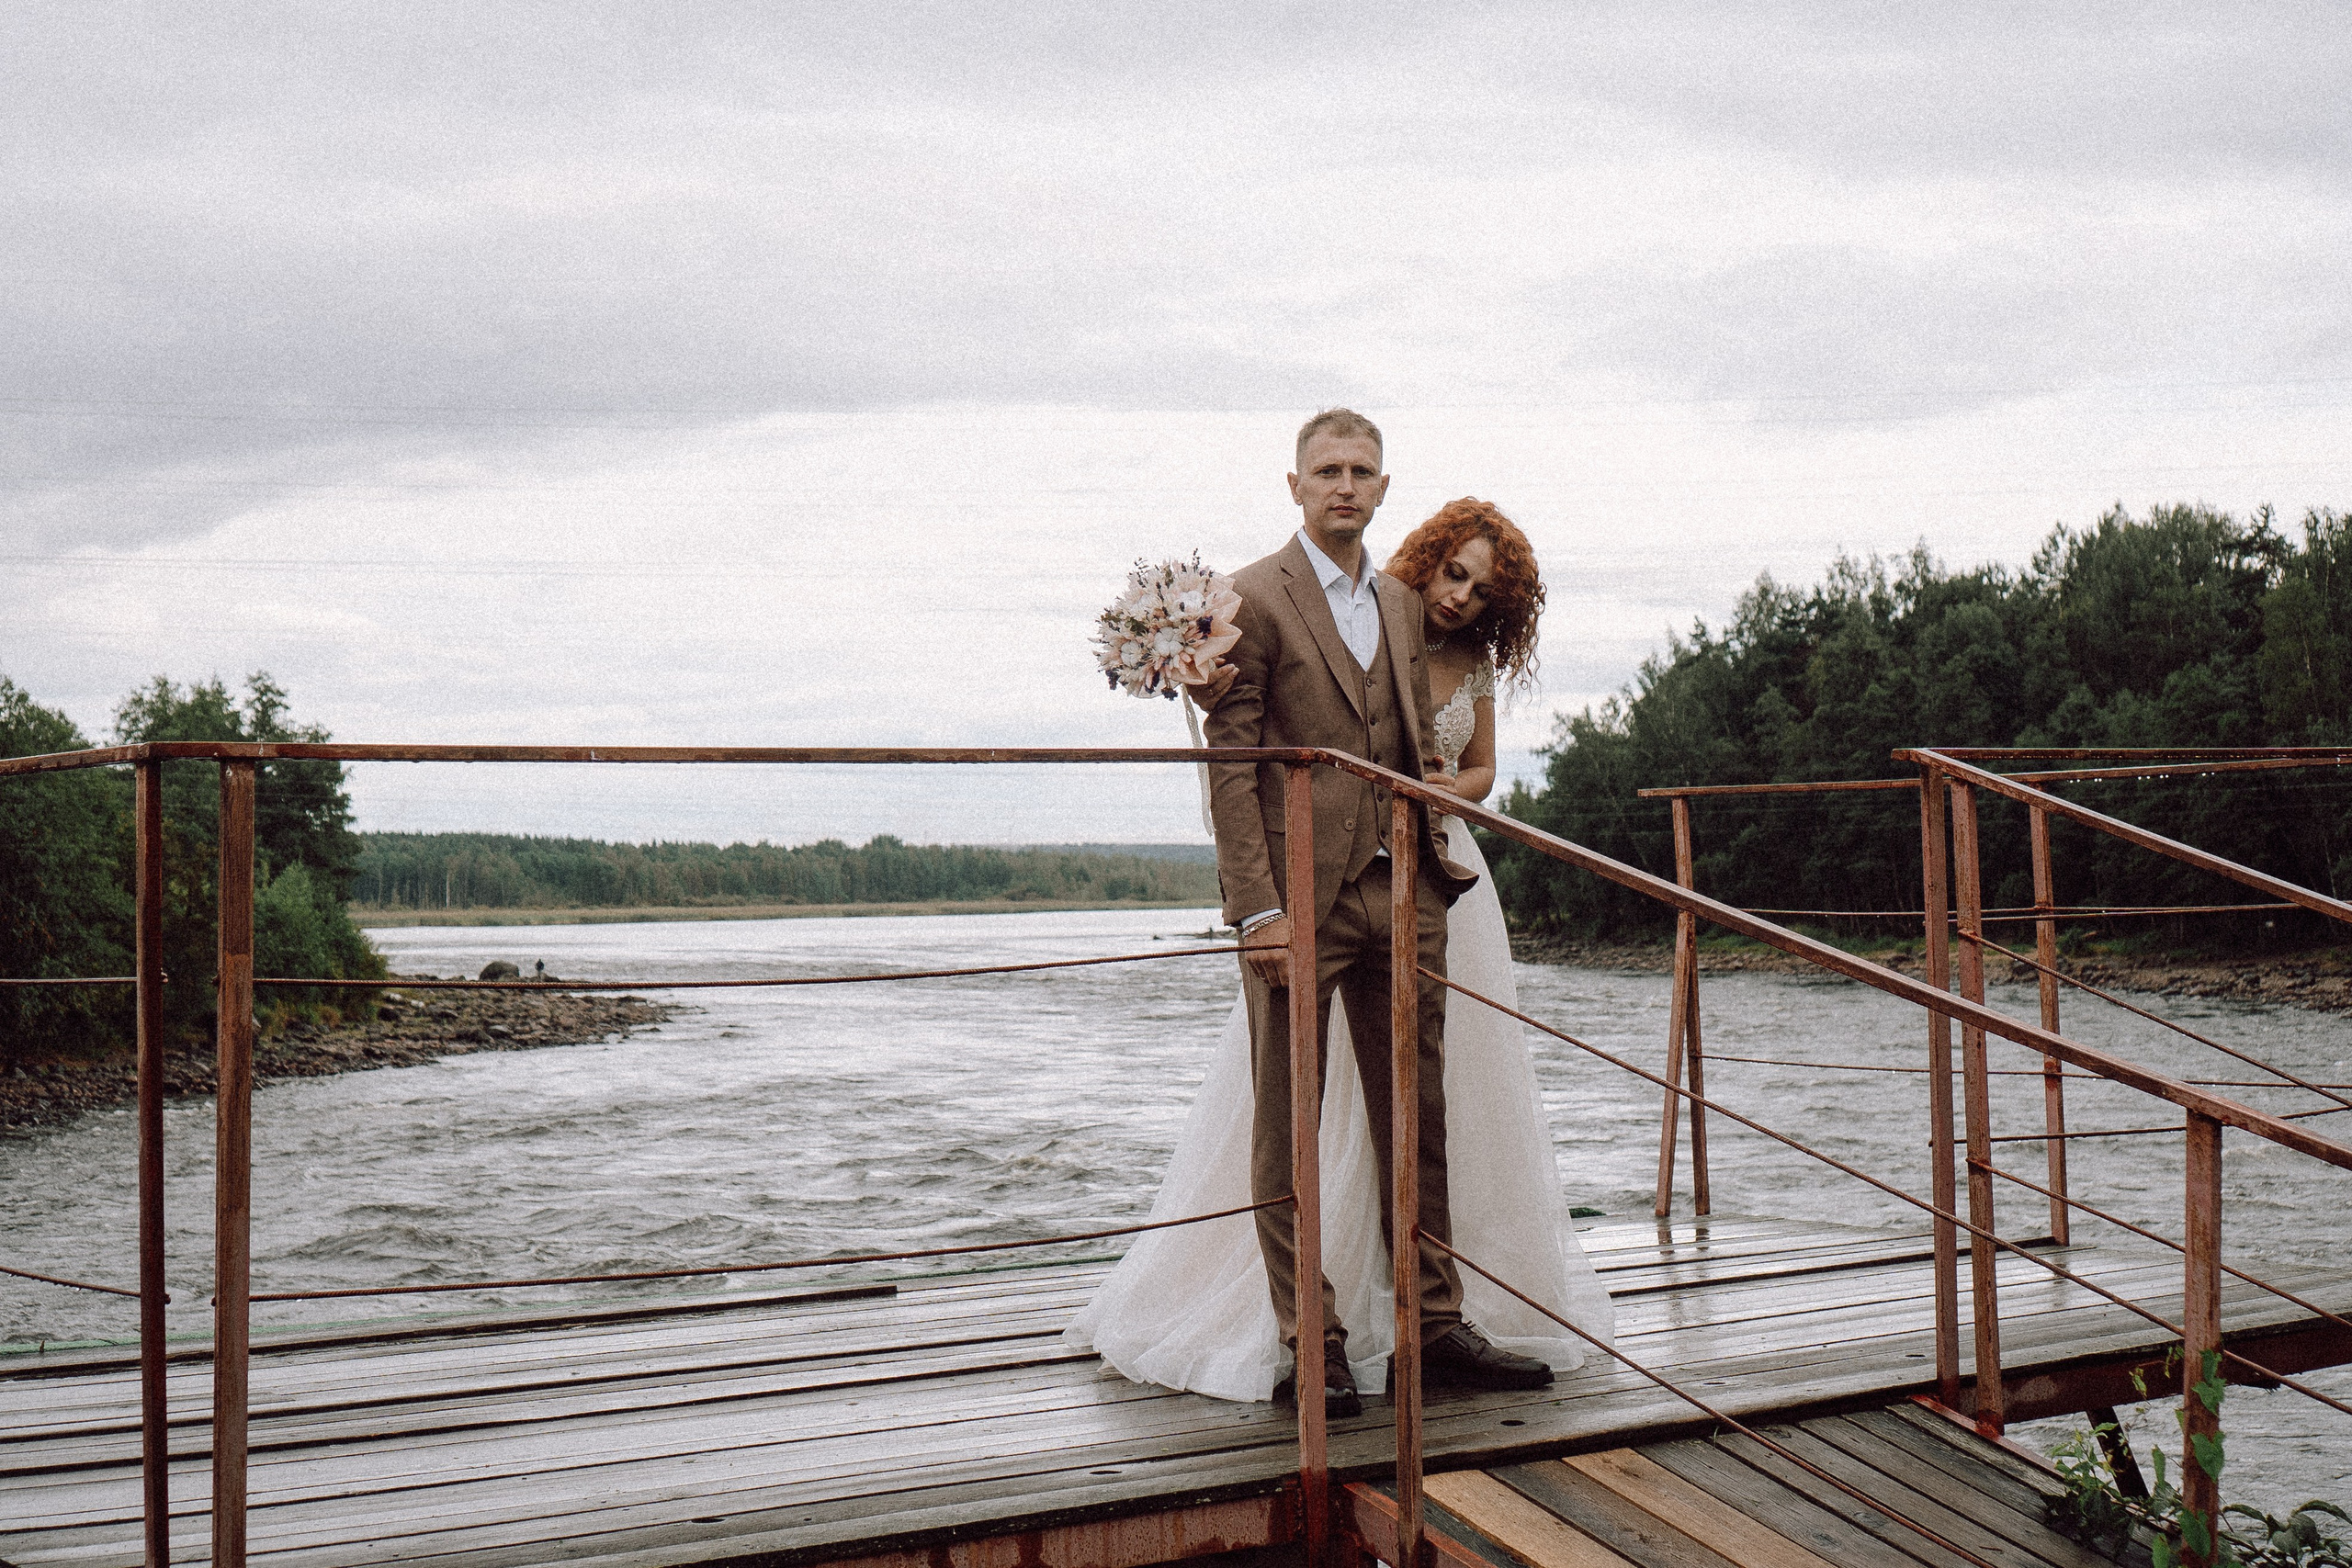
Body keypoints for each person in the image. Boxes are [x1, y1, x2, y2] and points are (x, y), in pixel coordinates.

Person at [1065, 412, 1615, 1415]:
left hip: (1405, 889)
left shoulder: (1406, 604)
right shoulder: (1250, 599)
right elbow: (1232, 771)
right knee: (1288, 1124)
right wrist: (1254, 912)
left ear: (1384, 484)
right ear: (1294, 484)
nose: (1345, 487)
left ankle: (1431, 1327)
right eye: (1328, 471)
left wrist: (1446, 798)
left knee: (1421, 1112)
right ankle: (1306, 1338)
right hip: (1297, 902)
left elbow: (1418, 742)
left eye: (1362, 472)